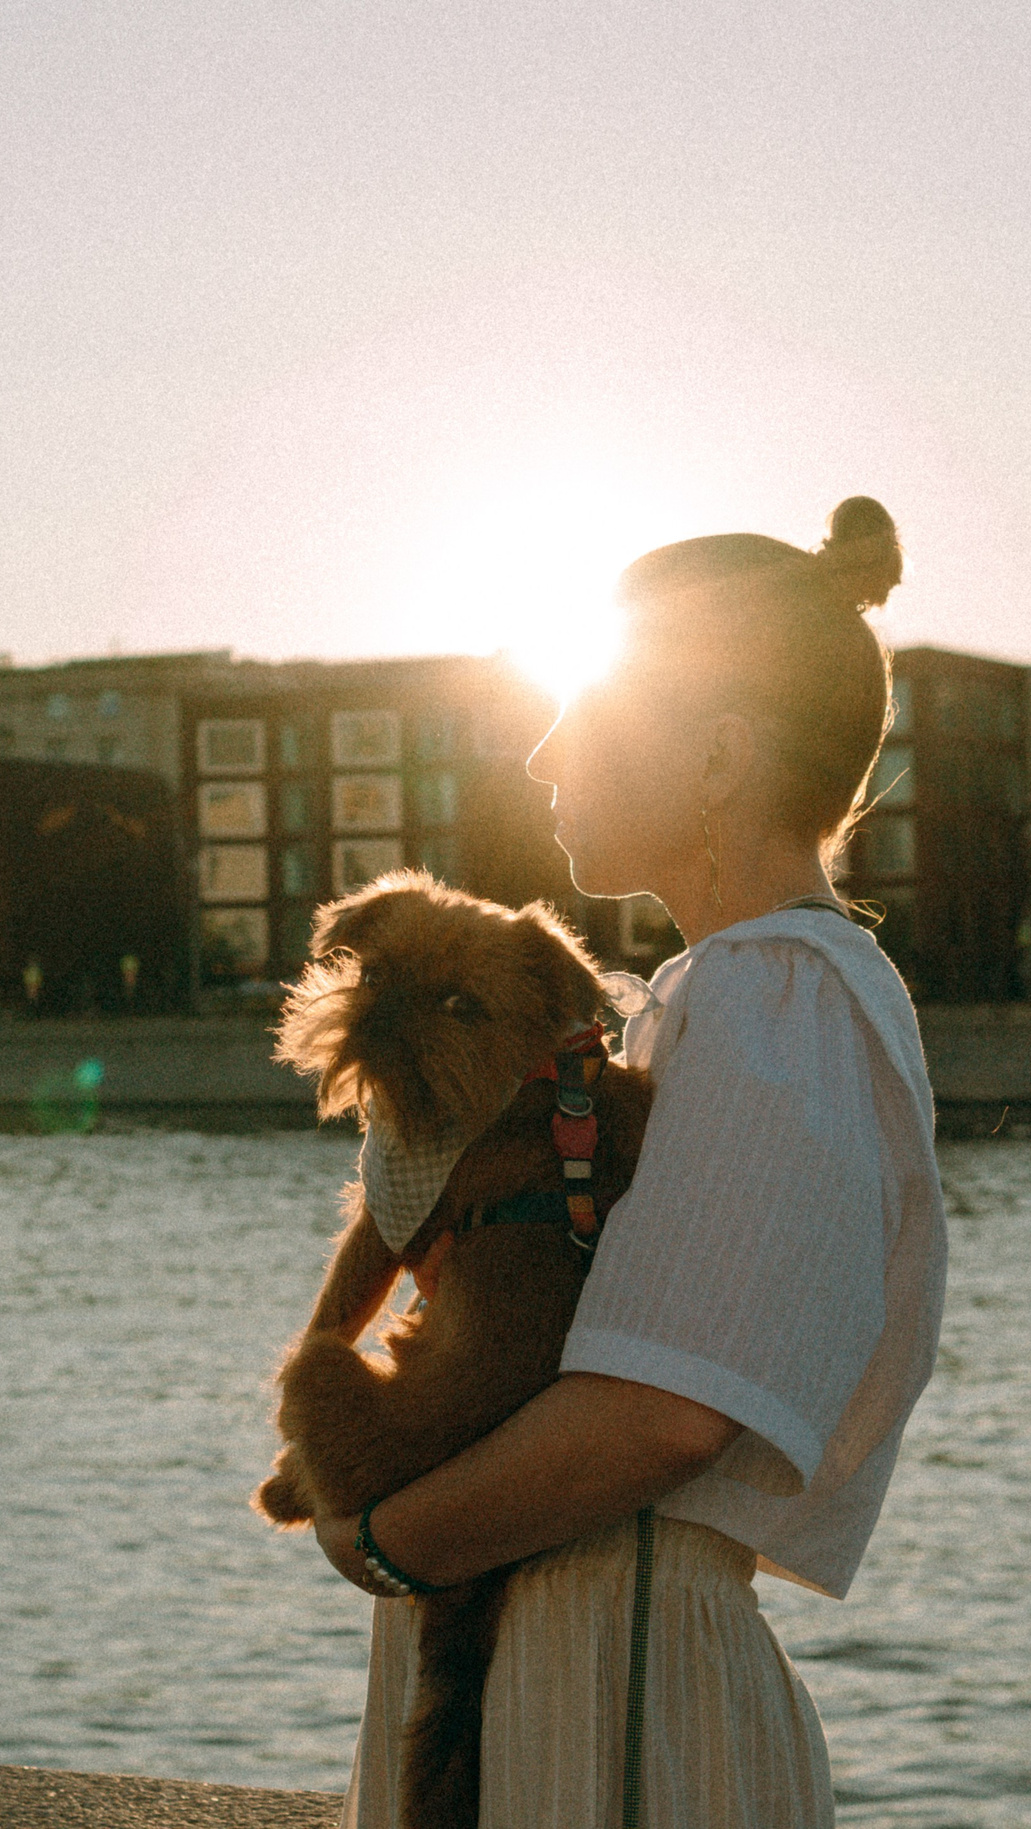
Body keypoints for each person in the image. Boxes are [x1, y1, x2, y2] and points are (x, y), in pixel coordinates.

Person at [317, 497, 947, 1828]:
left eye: (587, 716)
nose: (543, 753)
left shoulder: (771, 997)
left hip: (610, 1696)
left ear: (720, 756)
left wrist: (380, 1537)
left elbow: (662, 1413)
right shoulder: (722, 997)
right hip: (570, 1664)